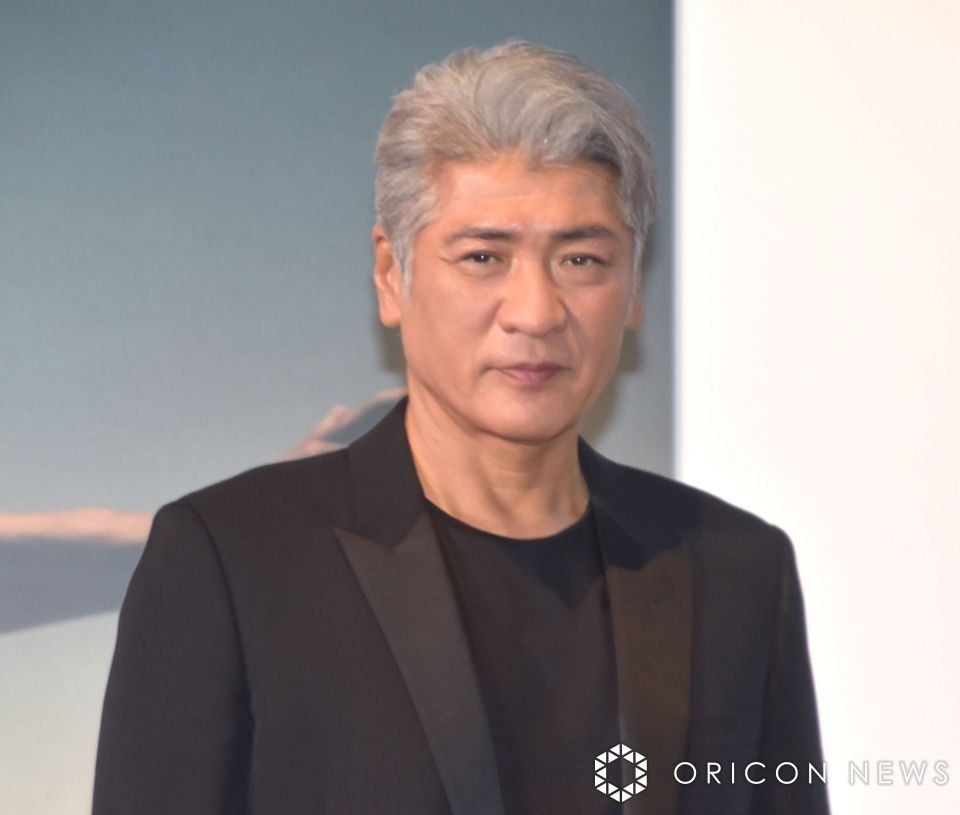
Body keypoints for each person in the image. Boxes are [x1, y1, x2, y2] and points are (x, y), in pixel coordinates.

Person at [92, 42, 828, 815]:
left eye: (582, 260)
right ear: (391, 274)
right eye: (483, 256)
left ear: (634, 286)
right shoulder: (232, 560)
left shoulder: (738, 570)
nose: (535, 312)